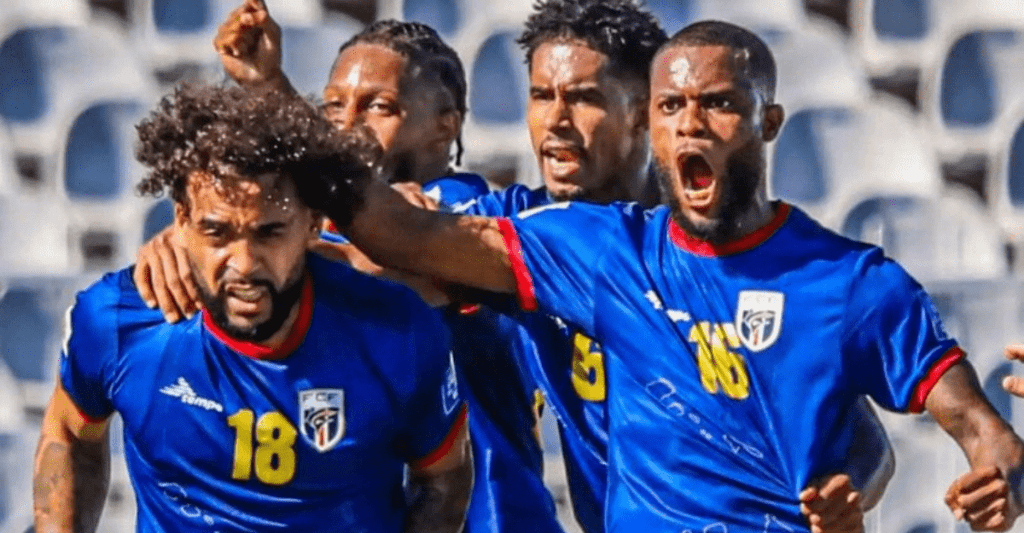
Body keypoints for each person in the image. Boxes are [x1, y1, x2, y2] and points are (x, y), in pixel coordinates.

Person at [298, 19, 1024, 533]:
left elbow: (956, 435)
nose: (692, 124)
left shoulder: (847, 281)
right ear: (656, 117)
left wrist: (991, 480)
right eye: (674, 105)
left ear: (768, 122)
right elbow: (396, 238)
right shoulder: (593, 249)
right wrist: (275, 115)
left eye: (719, 105)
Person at [135, 5, 564, 533]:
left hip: (495, 517)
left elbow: (379, 259)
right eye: (333, 106)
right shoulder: (318, 225)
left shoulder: (469, 213)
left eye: (379, 107)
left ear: (445, 125)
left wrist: (207, 251)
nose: (347, 126)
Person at [32, 83, 472, 532]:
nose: (243, 264)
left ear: (313, 223)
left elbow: (443, 480)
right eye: (217, 232)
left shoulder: (399, 333)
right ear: (181, 221)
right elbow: (68, 435)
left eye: (269, 233)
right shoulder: (119, 322)